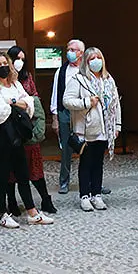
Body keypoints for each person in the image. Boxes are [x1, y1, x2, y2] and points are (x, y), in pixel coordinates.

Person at [0, 53, 55, 228]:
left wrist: (11, 101)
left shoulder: (15, 84)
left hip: (16, 135)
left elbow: (29, 103)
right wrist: (16, 104)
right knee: (3, 176)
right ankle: (3, 214)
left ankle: (32, 212)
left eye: (5, 63)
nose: (3, 66)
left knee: (23, 174)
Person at [64, 47, 121, 212]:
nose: (96, 61)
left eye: (99, 58)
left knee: (98, 163)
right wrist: (87, 102)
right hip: (86, 129)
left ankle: (97, 194)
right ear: (86, 62)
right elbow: (67, 101)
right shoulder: (79, 79)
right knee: (86, 163)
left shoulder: (108, 79)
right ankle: (84, 196)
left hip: (104, 129)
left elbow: (116, 104)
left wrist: (117, 125)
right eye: (92, 59)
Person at [1, 46, 56, 214]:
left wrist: (22, 104)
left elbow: (34, 99)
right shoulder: (0, 81)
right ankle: (11, 202)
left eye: (23, 59)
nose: (20, 62)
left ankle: (45, 199)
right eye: (17, 58)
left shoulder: (26, 77)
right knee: (11, 170)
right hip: (10, 129)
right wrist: (21, 103)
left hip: (27, 127)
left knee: (34, 168)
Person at [51, 39, 84, 195]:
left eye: (73, 49)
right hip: (65, 112)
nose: (69, 52)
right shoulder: (61, 71)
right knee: (66, 149)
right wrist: (55, 118)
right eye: (68, 49)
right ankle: (64, 182)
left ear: (81, 53)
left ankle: (91, 182)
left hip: (83, 113)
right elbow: (55, 94)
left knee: (87, 148)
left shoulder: (87, 69)